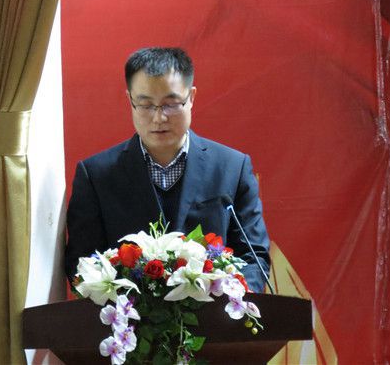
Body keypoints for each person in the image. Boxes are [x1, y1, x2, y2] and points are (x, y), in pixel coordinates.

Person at [64, 47, 271, 292]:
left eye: (171, 104)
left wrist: (232, 299)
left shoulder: (231, 168)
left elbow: (253, 256)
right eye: (146, 105)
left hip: (215, 311)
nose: (159, 118)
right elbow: (82, 263)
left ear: (191, 97)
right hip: (129, 312)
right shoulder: (96, 175)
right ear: (130, 100)